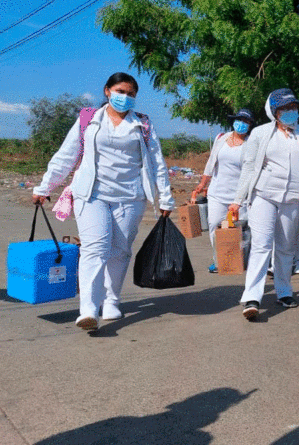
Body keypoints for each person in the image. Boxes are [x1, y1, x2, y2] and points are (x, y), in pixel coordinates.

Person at [32, 72, 174, 330]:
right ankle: (88, 309)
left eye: (131, 94)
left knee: (120, 250)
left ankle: (111, 301)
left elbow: (157, 164)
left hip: (131, 196)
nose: (125, 97)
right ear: (107, 91)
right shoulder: (88, 119)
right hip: (92, 195)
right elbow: (66, 154)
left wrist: (165, 197)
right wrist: (45, 186)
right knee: (95, 248)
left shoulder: (143, 124)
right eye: (120, 91)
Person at [229, 88, 299, 320]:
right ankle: (252, 296)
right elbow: (249, 166)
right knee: (262, 245)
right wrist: (237, 200)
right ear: (274, 112)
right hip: (263, 195)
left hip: (294, 198)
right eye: (285, 108)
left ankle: (284, 291)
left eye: (293, 107)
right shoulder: (260, 133)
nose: (290, 112)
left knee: (286, 247)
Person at [191, 108, 254, 273]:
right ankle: (219, 260)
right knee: (215, 226)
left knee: (238, 228)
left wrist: (240, 199)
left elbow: (249, 172)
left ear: (250, 125)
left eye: (246, 121)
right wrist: (202, 184)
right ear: (234, 121)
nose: (242, 124)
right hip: (217, 193)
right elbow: (211, 163)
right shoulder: (221, 138)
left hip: (239, 197)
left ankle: (238, 260)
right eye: (239, 120)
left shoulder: (251, 144)